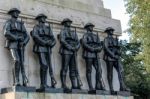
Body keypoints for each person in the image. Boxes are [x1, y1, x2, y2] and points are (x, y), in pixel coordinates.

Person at [4, 8, 30, 86]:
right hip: (13, 44)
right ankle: (16, 80)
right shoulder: (8, 22)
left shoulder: (20, 24)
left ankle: (24, 80)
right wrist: (16, 38)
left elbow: (27, 36)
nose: (17, 14)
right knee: (16, 60)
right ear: (12, 13)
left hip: (21, 45)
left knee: (22, 62)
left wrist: (24, 42)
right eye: (16, 12)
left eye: (18, 13)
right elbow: (6, 33)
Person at [31, 14, 57, 89]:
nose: (44, 19)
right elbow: (35, 36)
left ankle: (44, 84)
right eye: (43, 18)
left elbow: (53, 38)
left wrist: (51, 44)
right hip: (40, 47)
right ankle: (43, 84)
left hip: (48, 48)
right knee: (44, 65)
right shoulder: (36, 27)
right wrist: (44, 42)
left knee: (47, 66)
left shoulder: (48, 28)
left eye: (45, 18)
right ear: (39, 19)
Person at [104, 27, 129, 91]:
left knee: (121, 71)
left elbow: (118, 48)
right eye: (110, 30)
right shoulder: (106, 39)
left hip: (116, 57)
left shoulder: (115, 39)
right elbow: (106, 48)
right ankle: (111, 88)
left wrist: (119, 52)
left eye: (112, 30)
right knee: (110, 73)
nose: (112, 31)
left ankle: (122, 86)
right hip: (110, 57)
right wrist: (113, 55)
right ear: (107, 32)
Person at [81, 23, 105, 91]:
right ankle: (90, 86)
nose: (92, 27)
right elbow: (84, 44)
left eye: (92, 26)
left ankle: (98, 84)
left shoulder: (96, 36)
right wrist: (92, 49)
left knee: (99, 69)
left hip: (96, 54)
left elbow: (100, 44)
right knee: (89, 70)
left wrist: (99, 48)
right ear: (87, 28)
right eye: (90, 26)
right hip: (89, 53)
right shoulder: (85, 35)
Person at [59, 18, 81, 89]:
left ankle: (74, 85)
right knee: (64, 68)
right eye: (67, 22)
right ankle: (63, 84)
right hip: (66, 51)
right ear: (64, 23)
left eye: (69, 22)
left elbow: (78, 42)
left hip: (73, 51)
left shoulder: (73, 32)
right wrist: (70, 47)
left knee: (73, 69)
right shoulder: (63, 31)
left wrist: (76, 48)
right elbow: (62, 40)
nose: (69, 23)